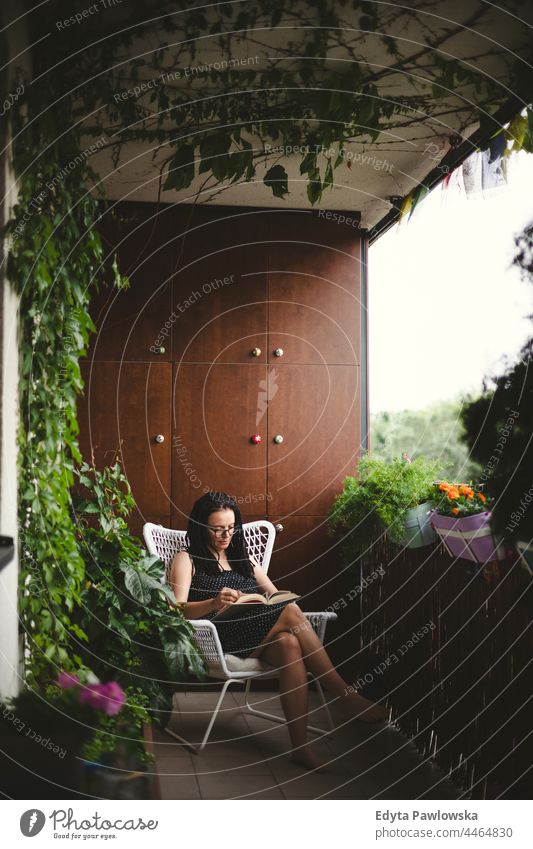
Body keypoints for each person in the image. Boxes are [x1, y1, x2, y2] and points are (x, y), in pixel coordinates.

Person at [170, 491, 388, 770]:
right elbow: (176, 609)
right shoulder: (186, 559)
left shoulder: (244, 562)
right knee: (290, 613)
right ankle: (345, 696)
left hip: (255, 633)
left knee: (289, 644)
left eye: (230, 527)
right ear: (201, 528)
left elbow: (276, 598)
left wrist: (270, 602)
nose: (226, 535)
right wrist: (213, 602)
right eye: (217, 529)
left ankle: (300, 748)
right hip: (218, 637)